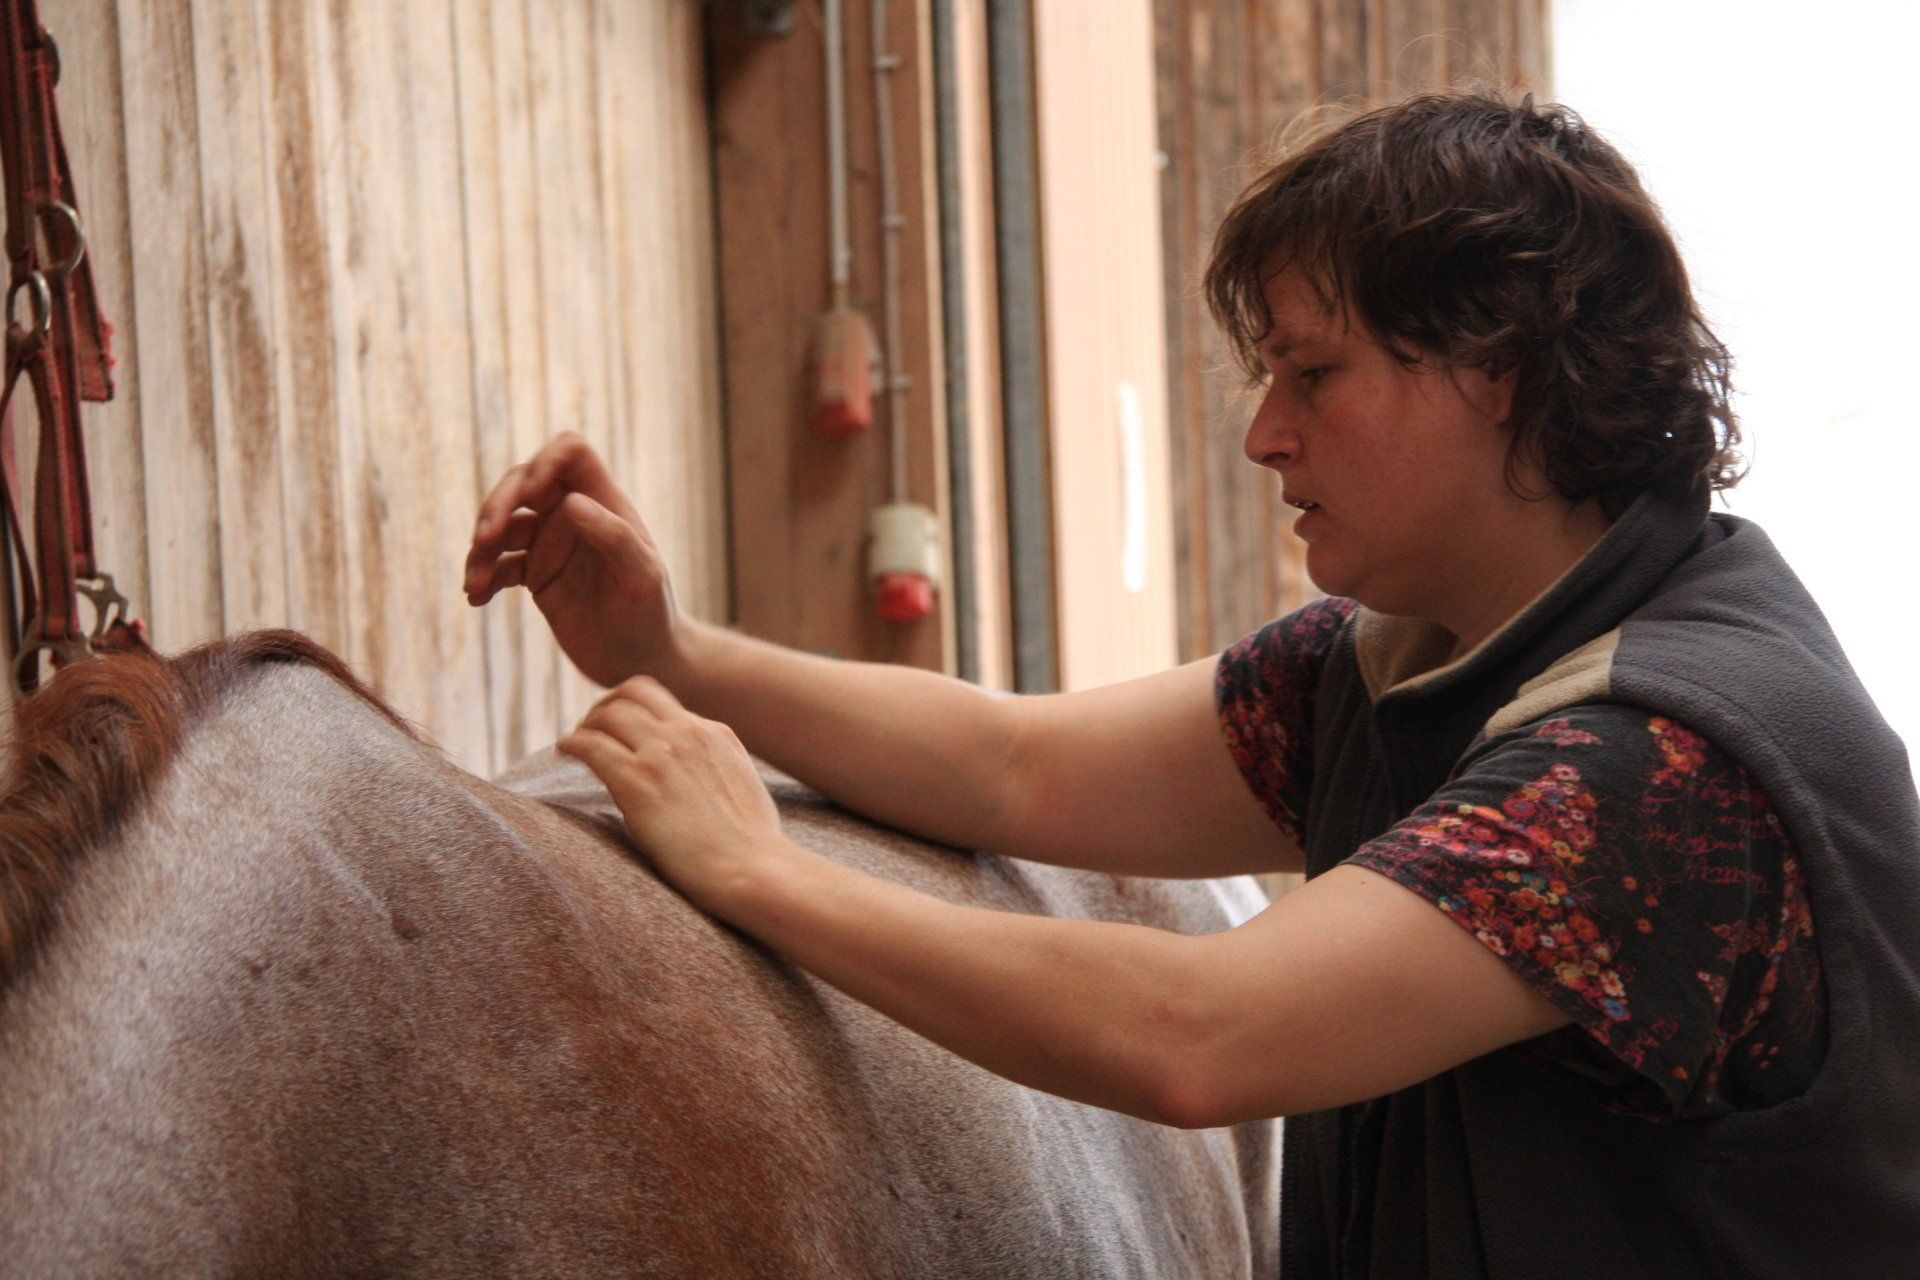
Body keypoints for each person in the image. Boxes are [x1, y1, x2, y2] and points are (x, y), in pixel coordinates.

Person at [463, 94, 1920, 1278]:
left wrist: (757, 872)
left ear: (1500, 371)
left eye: (1314, 374)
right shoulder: (1419, 646)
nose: (1263, 437)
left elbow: (1197, 1035)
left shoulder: (1661, 764)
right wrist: (673, 653)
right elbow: (1013, 770)